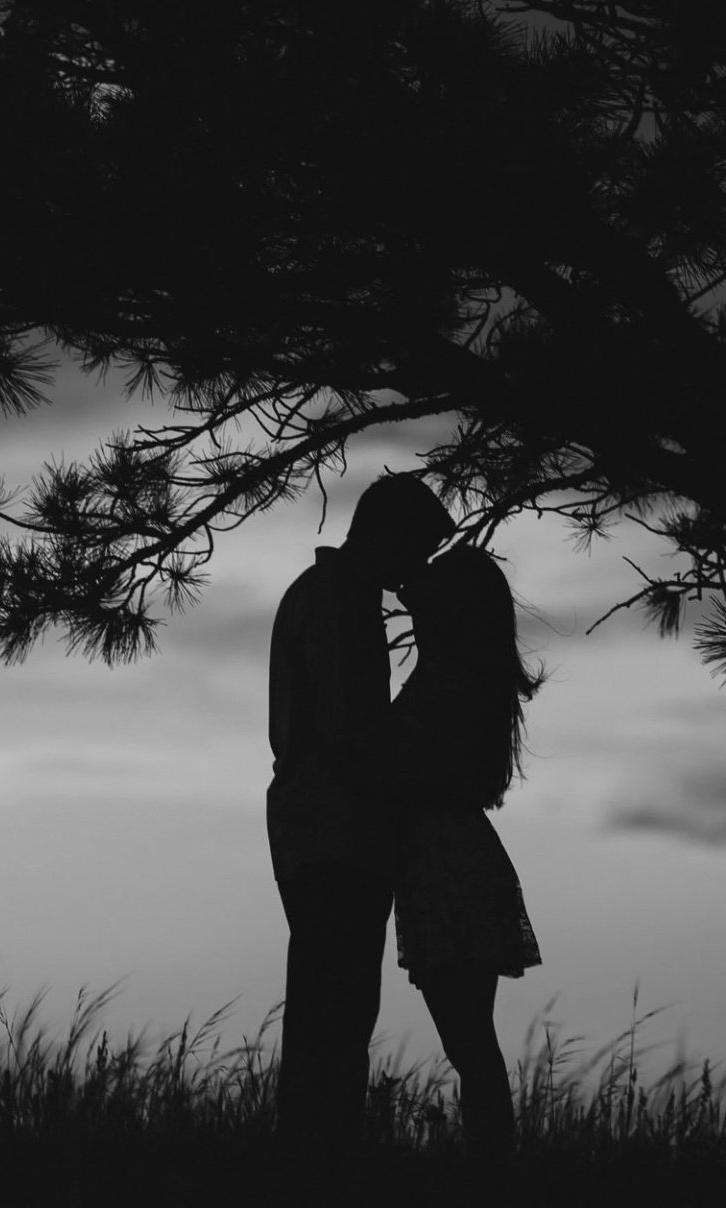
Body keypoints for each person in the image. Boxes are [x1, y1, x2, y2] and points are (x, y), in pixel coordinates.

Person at [267, 473, 457, 1153]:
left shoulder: (332, 597)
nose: (419, 568)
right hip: (334, 833)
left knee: (332, 1008)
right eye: (419, 549)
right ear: (390, 535)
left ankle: (314, 1155)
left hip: (322, 829)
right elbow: (349, 732)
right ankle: (318, 1159)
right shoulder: (338, 602)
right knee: (335, 1010)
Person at [386, 543, 544, 1160]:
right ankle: (493, 1167)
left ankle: (493, 1171)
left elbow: (419, 769)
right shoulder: (465, 674)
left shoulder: (451, 679)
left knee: (469, 1043)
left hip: (445, 865)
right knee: (471, 1042)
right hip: (453, 860)